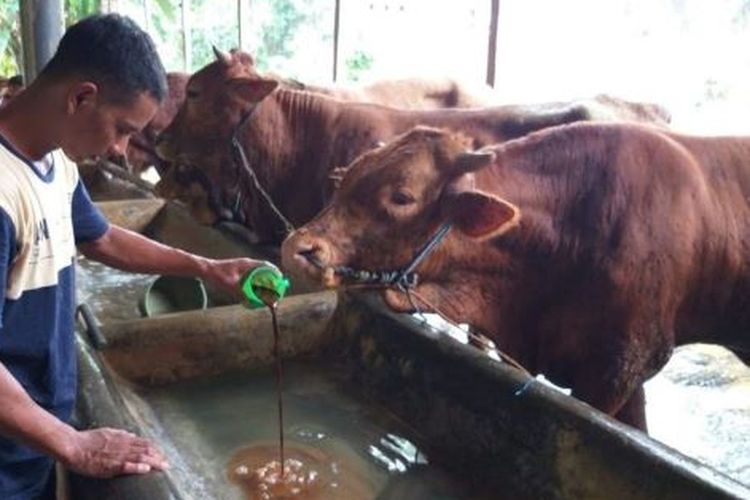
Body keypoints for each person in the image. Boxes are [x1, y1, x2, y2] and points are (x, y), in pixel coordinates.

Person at [0, 14, 270, 499]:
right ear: (81, 97)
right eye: (123, 129)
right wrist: (75, 445)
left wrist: (208, 268)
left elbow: (101, 238)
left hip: (28, 444)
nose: (124, 151)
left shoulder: (53, 159)